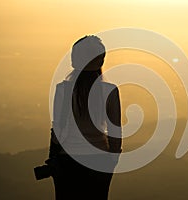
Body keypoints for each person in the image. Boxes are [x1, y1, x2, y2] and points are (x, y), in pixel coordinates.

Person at [49, 35, 122, 199]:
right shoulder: (110, 91)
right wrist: (113, 159)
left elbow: (57, 131)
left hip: (66, 160)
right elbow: (115, 133)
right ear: (101, 60)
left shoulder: (63, 90)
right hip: (100, 161)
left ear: (74, 60)